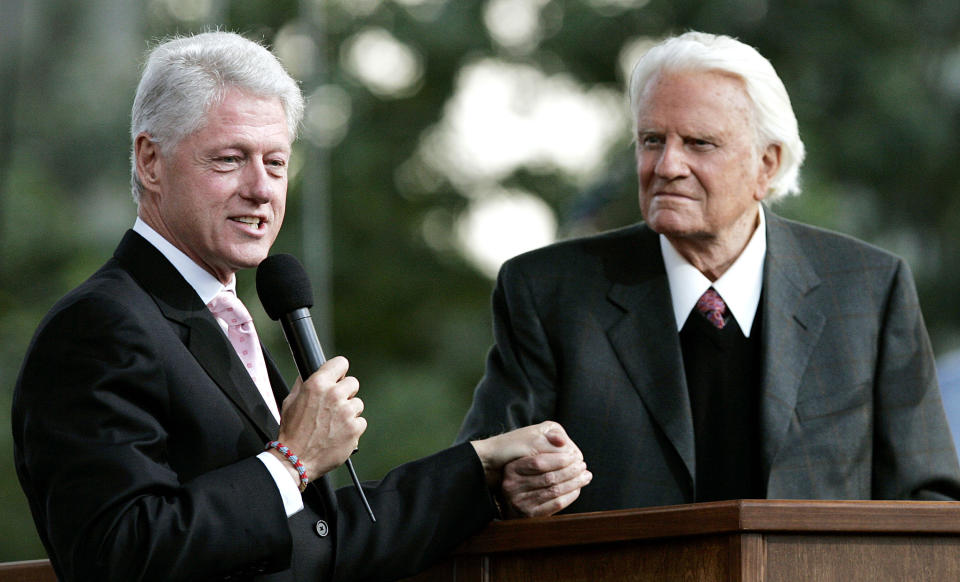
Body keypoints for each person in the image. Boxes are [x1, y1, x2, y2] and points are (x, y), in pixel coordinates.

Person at [12, 31, 592, 582]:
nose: (261, 188)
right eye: (230, 159)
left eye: (277, 162)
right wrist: (292, 460)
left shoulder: (218, 318)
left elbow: (321, 546)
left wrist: (482, 469)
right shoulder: (99, 326)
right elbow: (115, 555)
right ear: (150, 162)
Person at [456, 31, 960, 513]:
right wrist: (514, 494)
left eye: (699, 143)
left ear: (767, 164)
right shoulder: (549, 291)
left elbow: (927, 501)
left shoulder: (869, 289)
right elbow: (475, 482)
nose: (667, 165)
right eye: (652, 140)